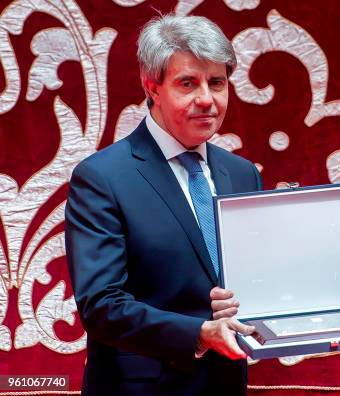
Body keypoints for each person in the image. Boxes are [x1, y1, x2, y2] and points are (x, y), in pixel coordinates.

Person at [65, 14, 261, 395]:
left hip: (226, 384)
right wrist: (201, 334)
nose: (206, 99)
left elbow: (253, 276)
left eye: (217, 83)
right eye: (188, 83)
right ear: (151, 86)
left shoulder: (242, 174)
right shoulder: (102, 177)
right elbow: (101, 306)